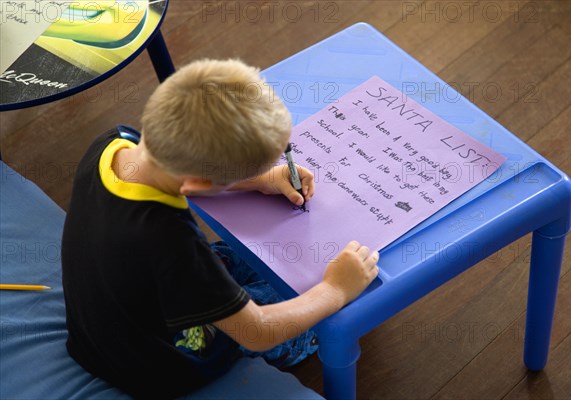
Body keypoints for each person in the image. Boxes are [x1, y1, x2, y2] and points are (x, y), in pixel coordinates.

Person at [61, 59, 379, 398]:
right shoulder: (171, 241)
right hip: (159, 363)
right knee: (308, 296)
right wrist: (334, 290)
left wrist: (262, 178)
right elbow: (258, 332)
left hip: (104, 324)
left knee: (243, 261)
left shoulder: (114, 144)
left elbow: (182, 178)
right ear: (199, 180)